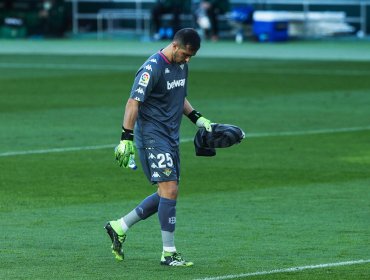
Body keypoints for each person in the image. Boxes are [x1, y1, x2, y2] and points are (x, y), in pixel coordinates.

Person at [105, 28, 212, 267]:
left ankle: (119, 226)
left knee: (166, 193)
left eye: (191, 57)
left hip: (171, 137)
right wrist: (126, 138)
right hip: (153, 138)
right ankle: (168, 253)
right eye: (185, 54)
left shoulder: (182, 64)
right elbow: (133, 102)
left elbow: (178, 95)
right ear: (175, 46)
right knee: (170, 189)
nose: (187, 60)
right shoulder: (151, 68)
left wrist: (197, 118)